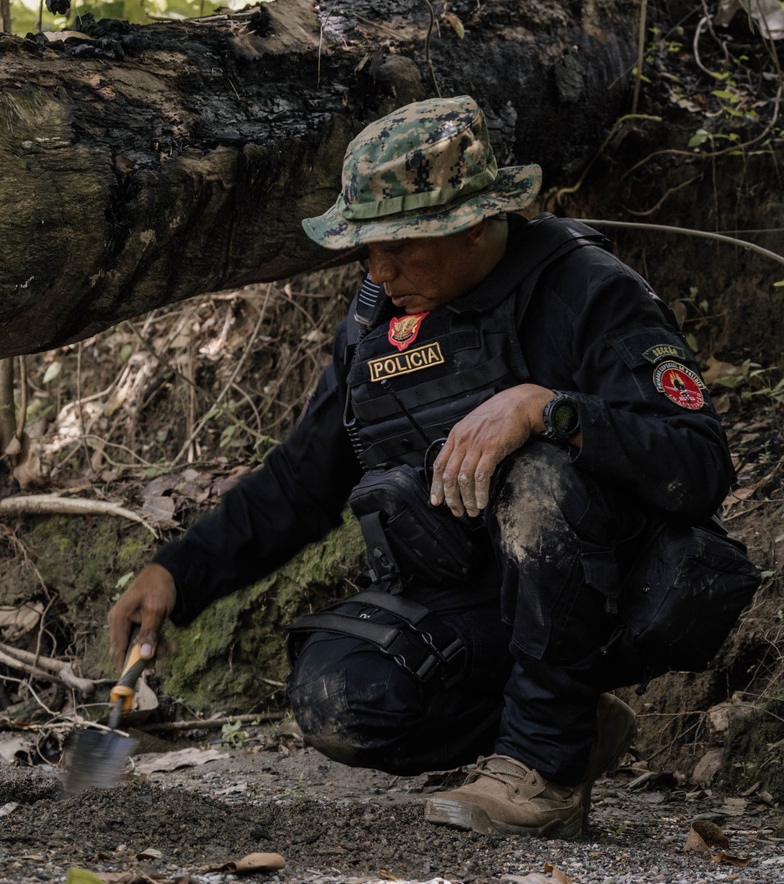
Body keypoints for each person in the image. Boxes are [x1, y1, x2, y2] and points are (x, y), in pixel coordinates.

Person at [109, 98, 757, 839]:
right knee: (337, 698)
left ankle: (543, 763)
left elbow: (700, 464)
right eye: (366, 251)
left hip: (618, 589)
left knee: (540, 476)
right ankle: (565, 721)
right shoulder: (377, 326)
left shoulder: (586, 289)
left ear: (474, 223)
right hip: (476, 604)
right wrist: (177, 574)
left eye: (402, 247)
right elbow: (302, 480)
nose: (381, 273)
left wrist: (549, 410)